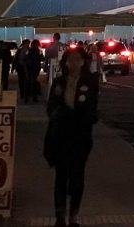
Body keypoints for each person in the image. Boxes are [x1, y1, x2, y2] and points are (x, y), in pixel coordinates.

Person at [44, 46, 99, 227]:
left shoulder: (90, 82)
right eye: (70, 60)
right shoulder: (59, 82)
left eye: (78, 60)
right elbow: (50, 107)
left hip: (80, 136)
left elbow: (91, 108)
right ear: (65, 62)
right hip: (61, 135)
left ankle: (74, 215)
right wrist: (58, 115)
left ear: (84, 62)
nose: (73, 63)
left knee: (77, 176)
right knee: (61, 176)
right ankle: (60, 215)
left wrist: (83, 118)